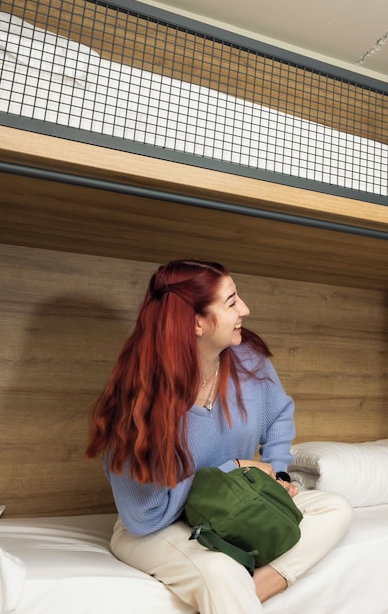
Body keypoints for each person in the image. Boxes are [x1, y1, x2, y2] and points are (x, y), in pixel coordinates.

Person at [85, 259, 352, 613]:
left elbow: (279, 414)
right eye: (231, 302)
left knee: (334, 509)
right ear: (196, 322)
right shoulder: (141, 396)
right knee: (220, 570)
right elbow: (144, 516)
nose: (245, 309)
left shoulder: (248, 359)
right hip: (159, 526)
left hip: (234, 506)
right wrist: (234, 469)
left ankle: (249, 592)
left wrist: (277, 475)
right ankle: (233, 593)